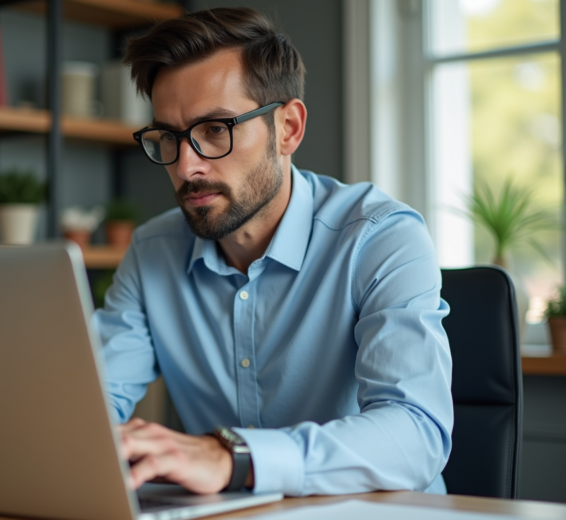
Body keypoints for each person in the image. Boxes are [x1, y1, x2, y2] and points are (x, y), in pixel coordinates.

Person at [92, 7, 453, 497]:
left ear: (288, 128)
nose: (186, 165)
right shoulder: (152, 251)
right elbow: (92, 405)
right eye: (169, 138)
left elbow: (416, 435)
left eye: (215, 130)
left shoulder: (382, 237)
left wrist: (234, 459)